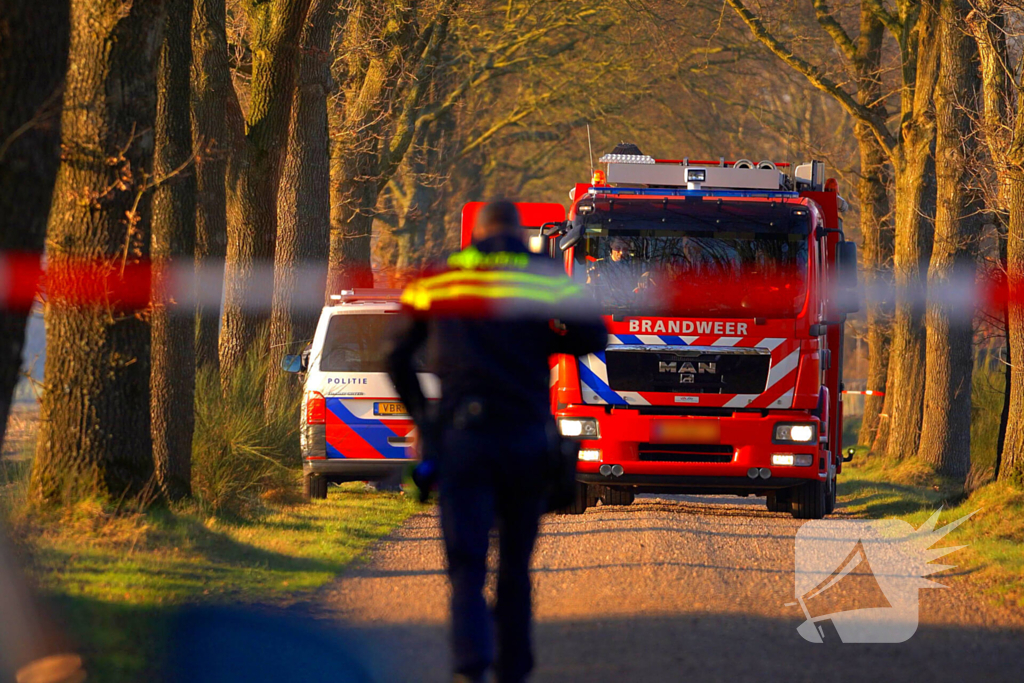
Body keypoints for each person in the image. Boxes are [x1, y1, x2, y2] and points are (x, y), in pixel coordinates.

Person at [386, 201, 607, 683]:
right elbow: (594, 335)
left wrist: (424, 419)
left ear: (478, 235)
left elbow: (397, 358)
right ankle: (514, 668)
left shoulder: (444, 277)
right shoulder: (542, 274)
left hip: (461, 439)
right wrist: (544, 341)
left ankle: (471, 663)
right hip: (524, 438)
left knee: (466, 560)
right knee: (514, 563)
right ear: (515, 233)